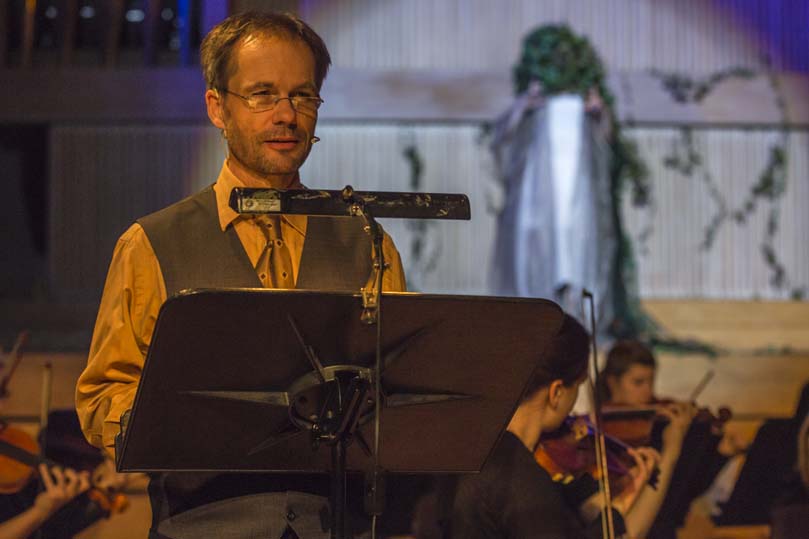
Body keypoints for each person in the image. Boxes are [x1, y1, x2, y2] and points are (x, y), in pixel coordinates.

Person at [75, 11, 406, 539]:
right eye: (262, 95)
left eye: (303, 96)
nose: (287, 115)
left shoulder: (367, 242)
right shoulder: (151, 244)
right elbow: (102, 397)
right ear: (217, 107)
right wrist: (177, 421)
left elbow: (397, 389)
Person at [447, 314, 659, 539]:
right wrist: (619, 507)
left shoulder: (475, 447)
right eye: (577, 386)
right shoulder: (522, 475)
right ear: (556, 392)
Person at [597, 340, 740, 539]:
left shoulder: (659, 423)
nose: (648, 392)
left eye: (651, 382)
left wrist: (719, 454)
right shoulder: (602, 431)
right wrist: (671, 446)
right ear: (613, 383)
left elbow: (686, 491)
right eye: (638, 383)